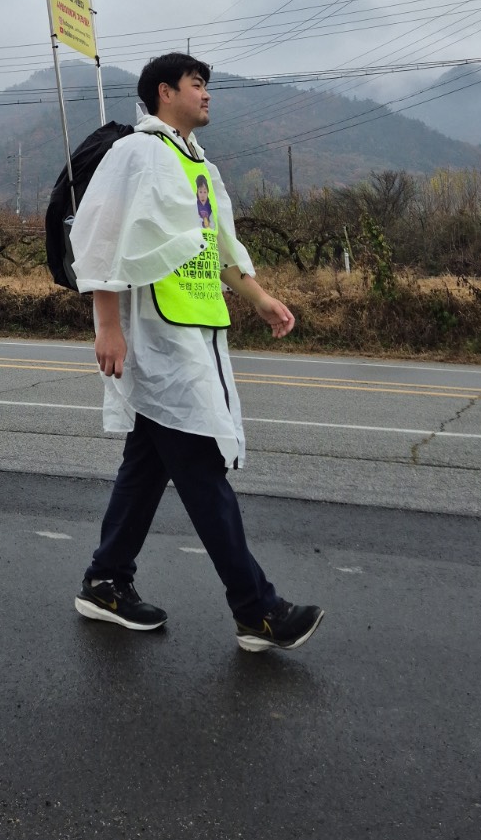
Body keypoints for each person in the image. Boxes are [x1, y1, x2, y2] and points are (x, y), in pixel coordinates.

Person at [68, 52, 324, 653]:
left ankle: (105, 580)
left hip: (198, 335)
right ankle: (256, 610)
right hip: (159, 343)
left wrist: (259, 296)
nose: (207, 95)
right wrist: (107, 323)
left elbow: (219, 243)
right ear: (165, 92)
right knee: (203, 468)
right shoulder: (136, 152)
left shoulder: (198, 165)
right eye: (197, 84)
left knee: (147, 464)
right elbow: (98, 232)